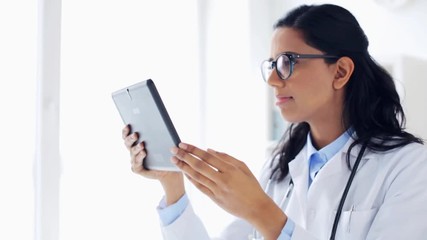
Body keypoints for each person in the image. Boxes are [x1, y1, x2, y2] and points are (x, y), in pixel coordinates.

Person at [122, 3, 427, 240]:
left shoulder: (409, 166)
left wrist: (263, 213)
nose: (271, 79)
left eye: (287, 62)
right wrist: (172, 184)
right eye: (271, 64)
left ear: (340, 72)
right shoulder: (279, 169)